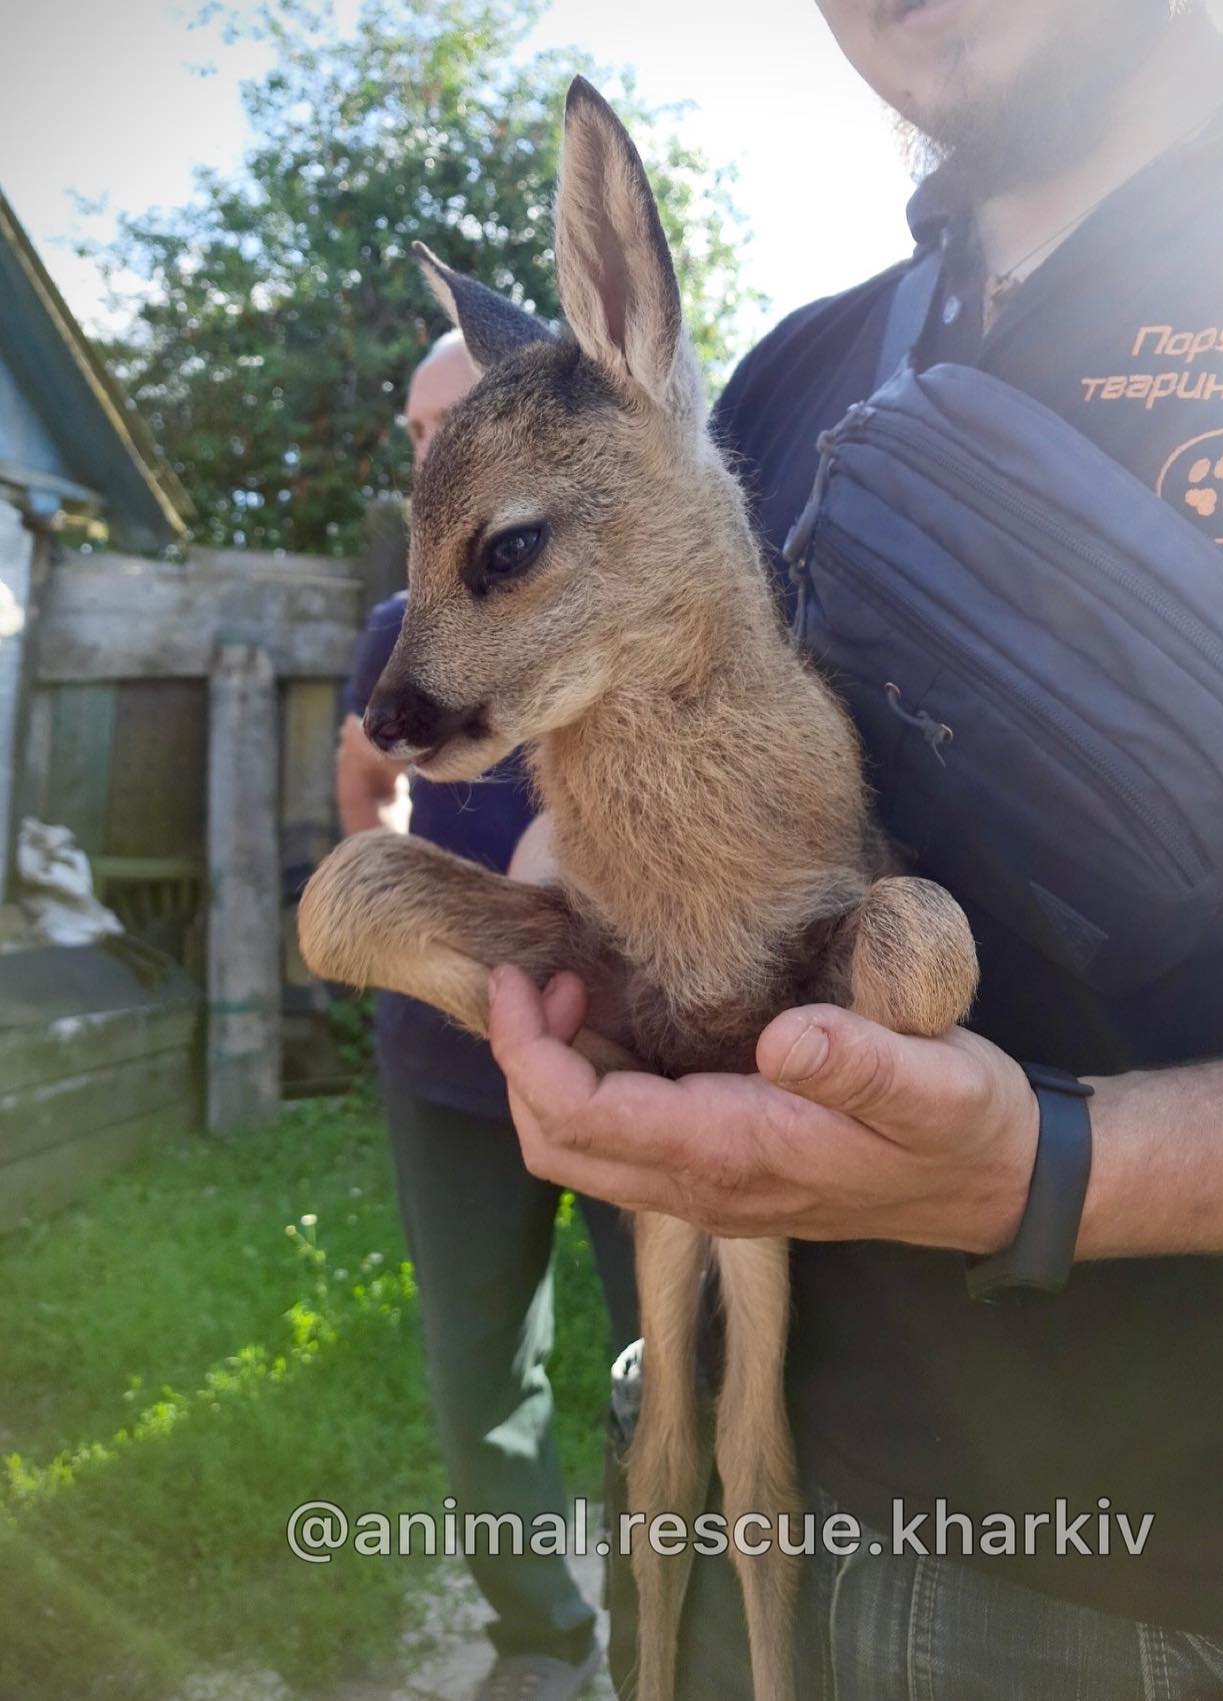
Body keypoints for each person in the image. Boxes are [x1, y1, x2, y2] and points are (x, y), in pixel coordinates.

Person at [484, 5, 1223, 1697]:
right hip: (740, 1532)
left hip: (1218, 1601)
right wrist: (576, 934)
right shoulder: (778, 377)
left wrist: (1058, 1170)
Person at [336, 329, 638, 1701]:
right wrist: (424, 927)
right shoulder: (399, 631)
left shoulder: (624, 597)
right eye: (413, 432)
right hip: (449, 1060)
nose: (425, 453)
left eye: (449, 422)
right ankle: (541, 1640)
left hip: (628, 1046)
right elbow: (365, 789)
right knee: (478, 1361)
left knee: (668, 1360)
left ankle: (667, 1629)